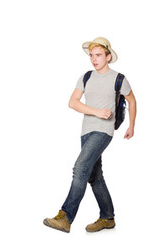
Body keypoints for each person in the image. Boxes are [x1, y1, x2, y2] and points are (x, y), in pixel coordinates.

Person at [43, 37, 137, 233]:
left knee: (80, 168)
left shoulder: (119, 78)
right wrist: (96, 111)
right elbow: (73, 102)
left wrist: (132, 126)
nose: (94, 59)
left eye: (99, 55)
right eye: (91, 55)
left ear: (108, 57)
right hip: (86, 131)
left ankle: (66, 217)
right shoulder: (86, 77)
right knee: (94, 176)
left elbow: (132, 101)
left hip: (104, 131)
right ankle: (107, 217)